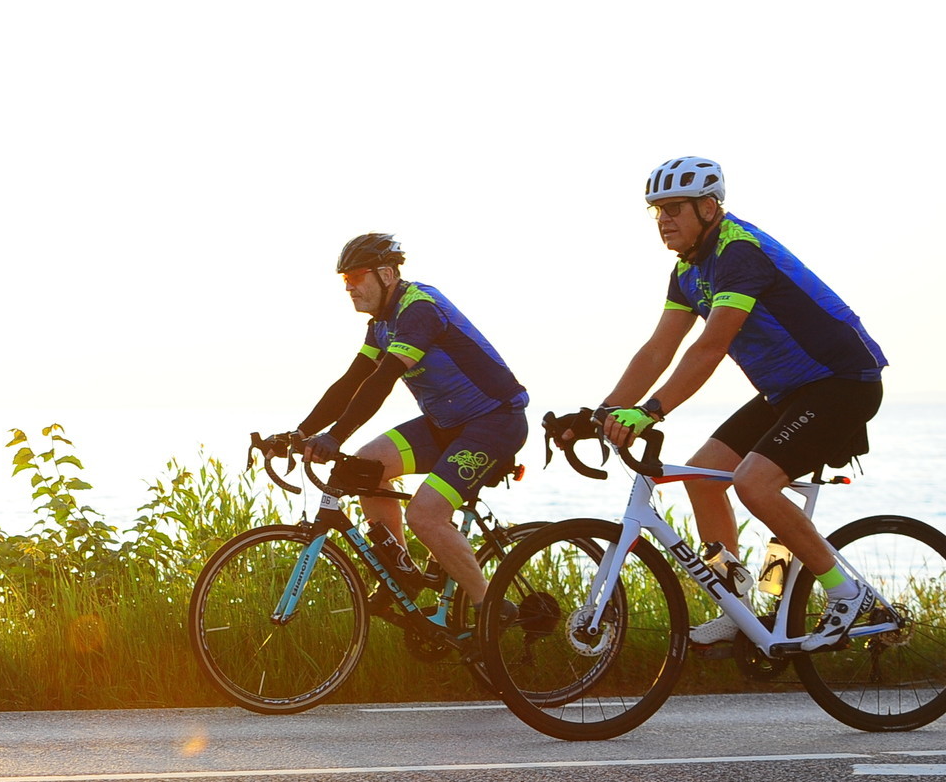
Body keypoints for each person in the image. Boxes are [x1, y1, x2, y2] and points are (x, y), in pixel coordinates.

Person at [594, 157, 888, 649]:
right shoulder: (687, 271)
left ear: (708, 208)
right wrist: (600, 413)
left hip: (841, 382)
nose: (664, 220)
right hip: (787, 392)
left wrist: (650, 411)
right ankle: (738, 606)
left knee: (753, 482)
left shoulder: (739, 251)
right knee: (702, 476)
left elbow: (709, 347)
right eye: (657, 211)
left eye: (675, 208)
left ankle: (847, 593)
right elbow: (658, 350)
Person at [292, 233, 530, 621]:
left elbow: (382, 380)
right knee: (365, 467)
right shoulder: (380, 324)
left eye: (356, 276)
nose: (349, 287)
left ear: (386, 275)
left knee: (425, 514)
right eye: (345, 280)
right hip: (445, 424)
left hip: (494, 422)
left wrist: (335, 436)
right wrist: (301, 433)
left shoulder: (419, 310)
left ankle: (489, 608)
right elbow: (352, 381)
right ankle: (402, 576)